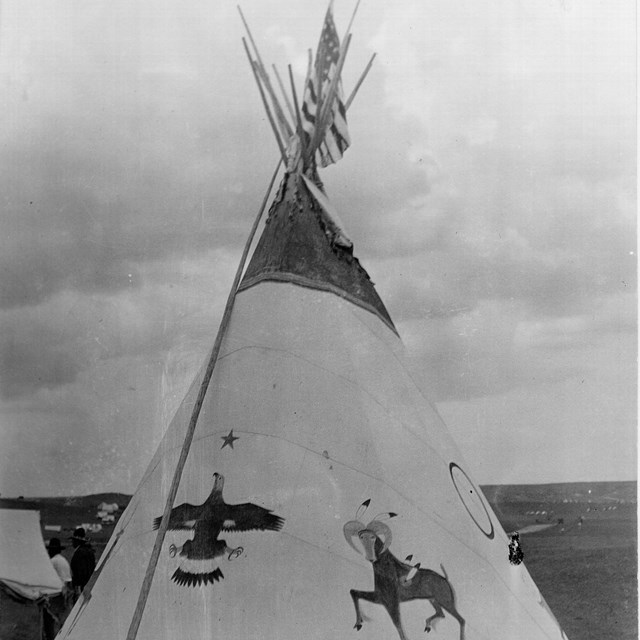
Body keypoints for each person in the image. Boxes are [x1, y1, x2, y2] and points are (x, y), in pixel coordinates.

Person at [42, 538, 72, 640]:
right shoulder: (63, 560)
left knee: (49, 622)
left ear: (52, 550)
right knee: (61, 620)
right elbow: (68, 581)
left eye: (50, 549)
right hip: (64, 594)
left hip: (54, 595)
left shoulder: (53, 561)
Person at [69, 527, 96, 602]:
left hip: (81, 586)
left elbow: (81, 572)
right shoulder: (89, 551)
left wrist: (78, 586)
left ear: (77, 542)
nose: (72, 543)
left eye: (73, 541)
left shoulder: (79, 553)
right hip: (90, 584)